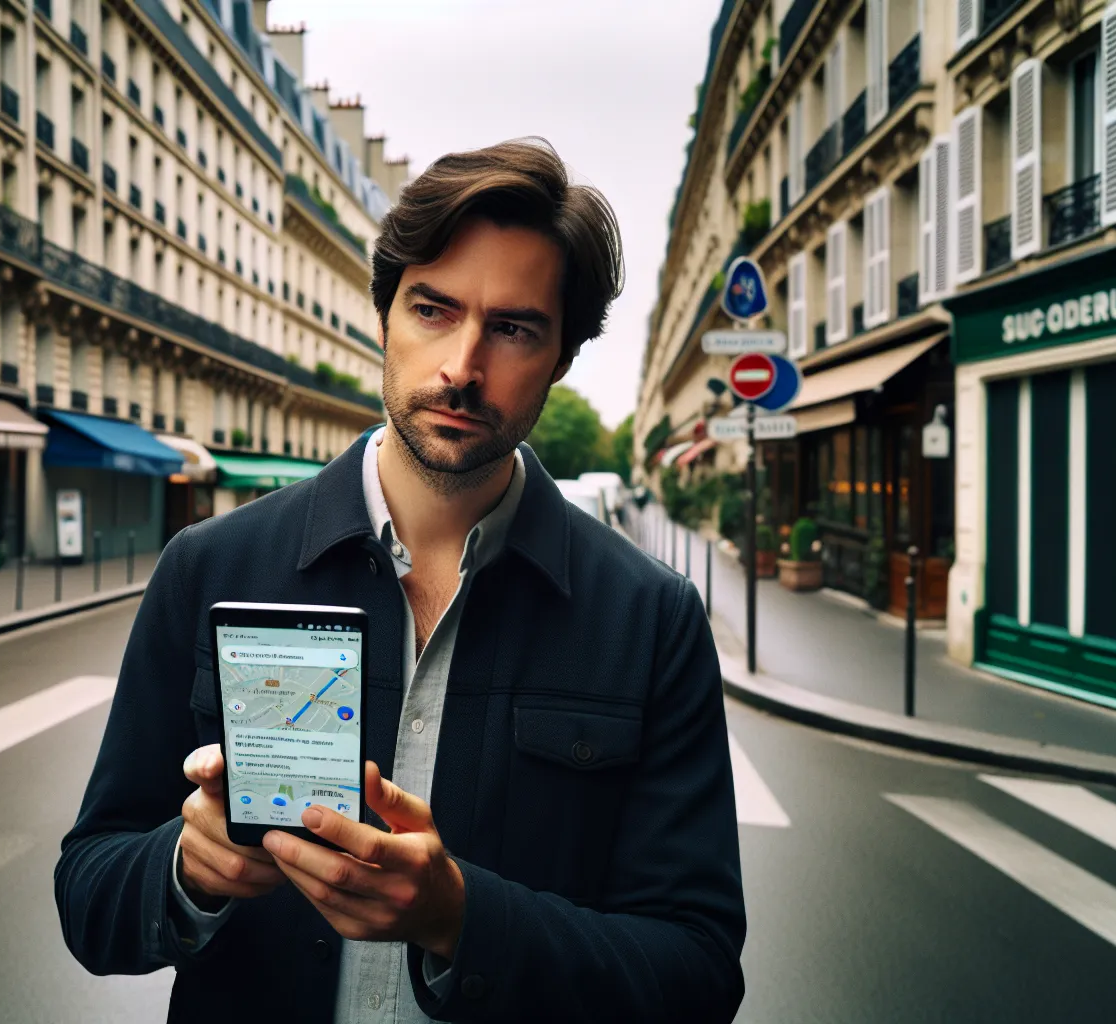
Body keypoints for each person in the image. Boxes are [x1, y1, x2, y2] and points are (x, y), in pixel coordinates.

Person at [56, 139, 745, 1022]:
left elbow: (695, 975)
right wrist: (184, 870)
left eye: (514, 328)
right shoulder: (211, 565)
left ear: (563, 357)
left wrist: (462, 920)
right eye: (433, 308)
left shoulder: (650, 619)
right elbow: (88, 893)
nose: (462, 365)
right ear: (384, 315)